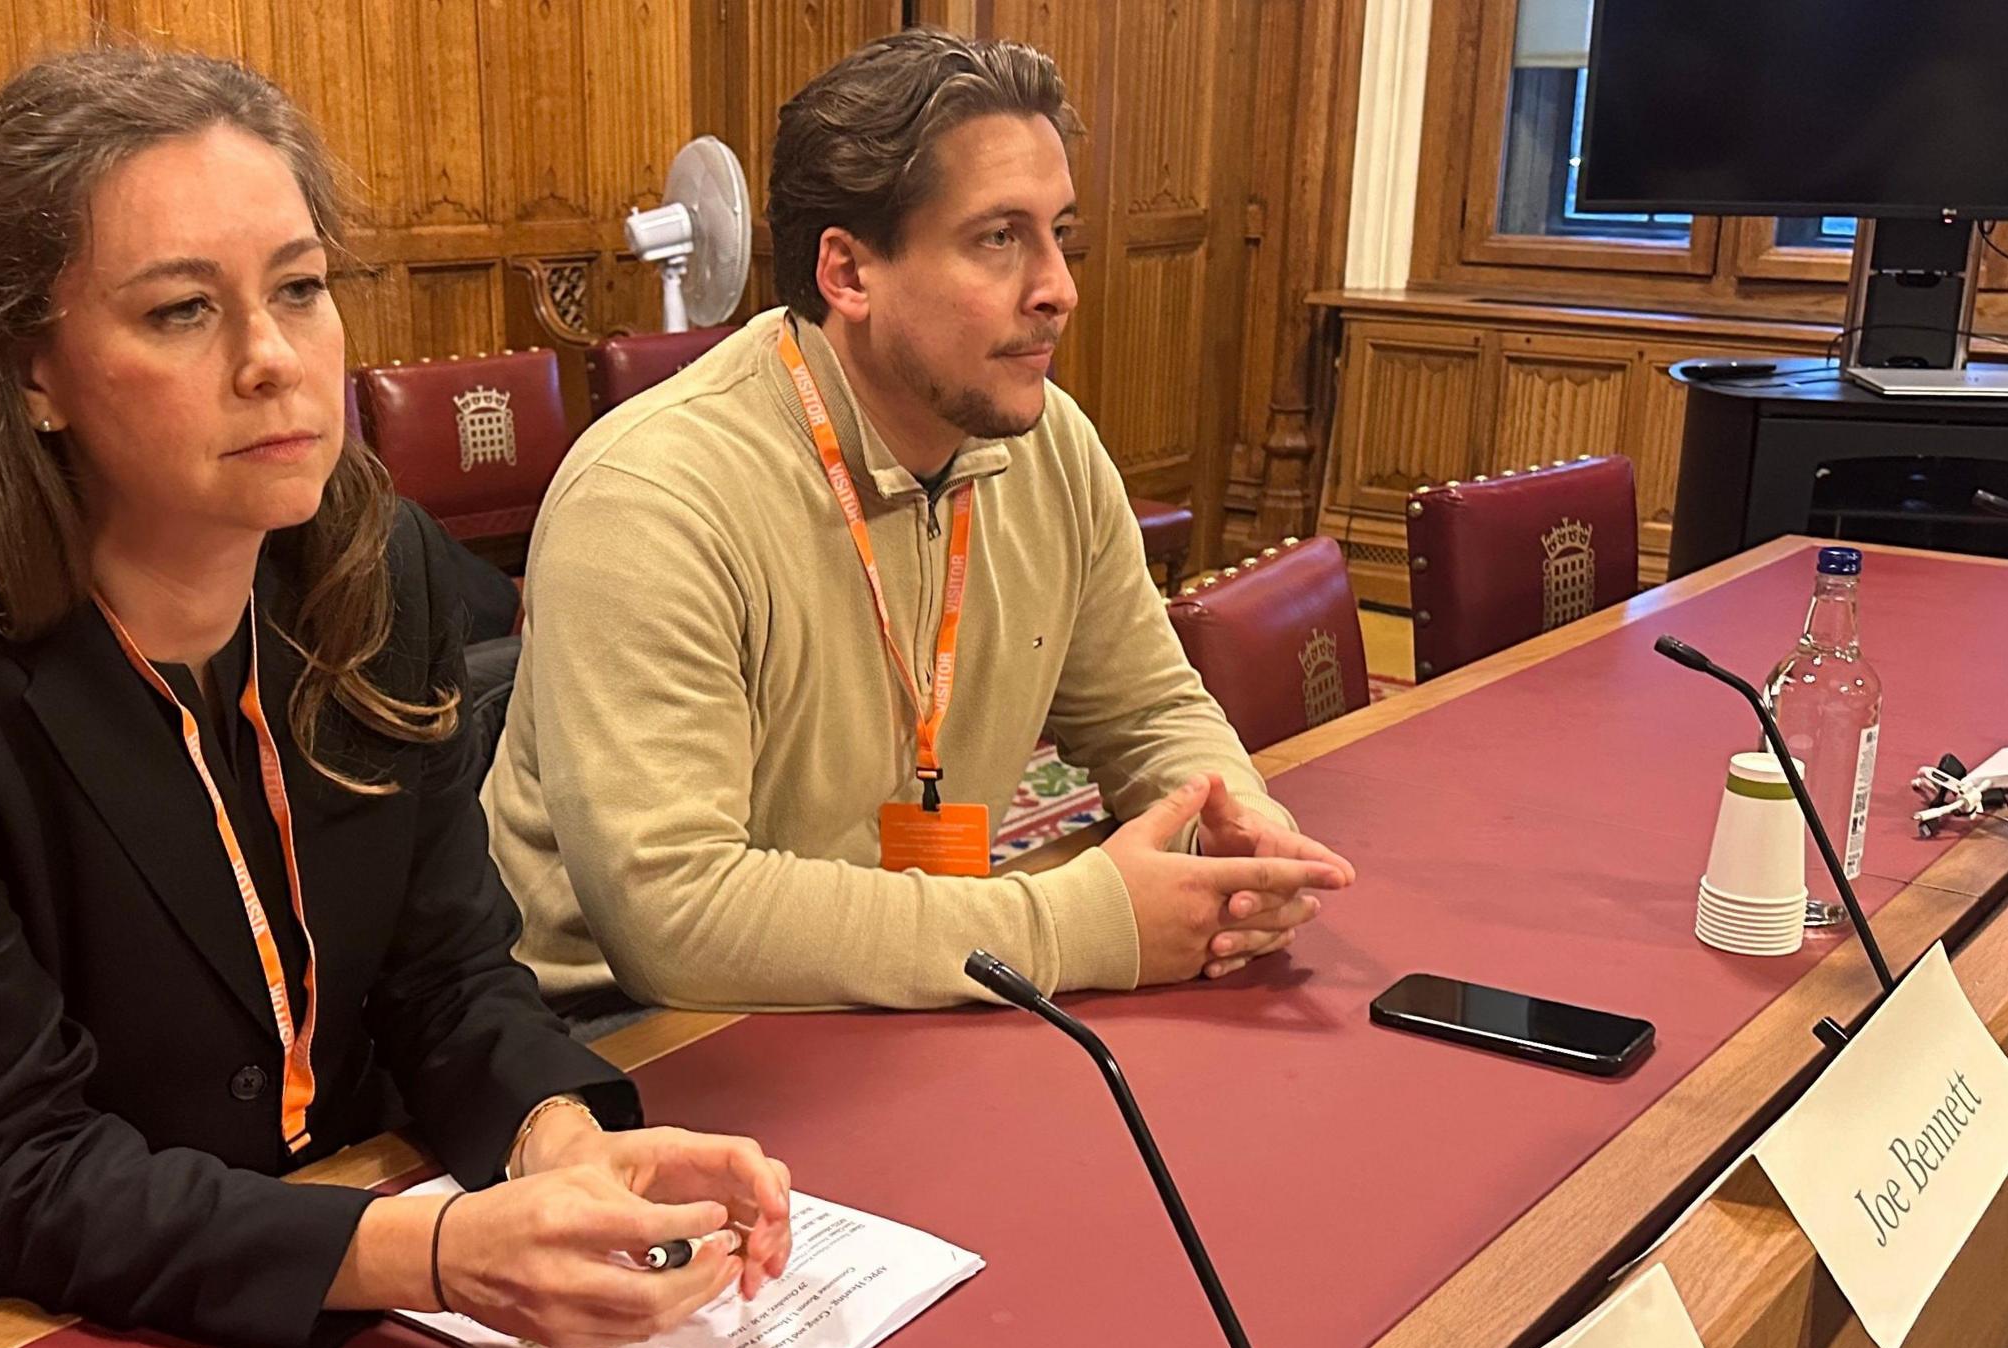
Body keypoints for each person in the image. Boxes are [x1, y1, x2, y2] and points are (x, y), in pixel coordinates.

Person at [0, 49, 789, 1348]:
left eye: (299, 290)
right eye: (183, 311)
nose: (272, 360)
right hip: (3, 1332)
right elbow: (18, 1170)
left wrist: (556, 1138)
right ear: (32, 371)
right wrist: (430, 1252)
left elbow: (445, 975)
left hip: (339, 1260)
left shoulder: (379, 567)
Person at [485, 31, 1356, 1013]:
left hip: (913, 979)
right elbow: (674, 923)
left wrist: (1228, 819)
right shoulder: (649, 499)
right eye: (998, 238)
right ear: (847, 274)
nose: (1059, 288)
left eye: (1058, 235)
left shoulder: (1050, 443)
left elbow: (1146, 711)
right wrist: (1081, 923)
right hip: (635, 1034)